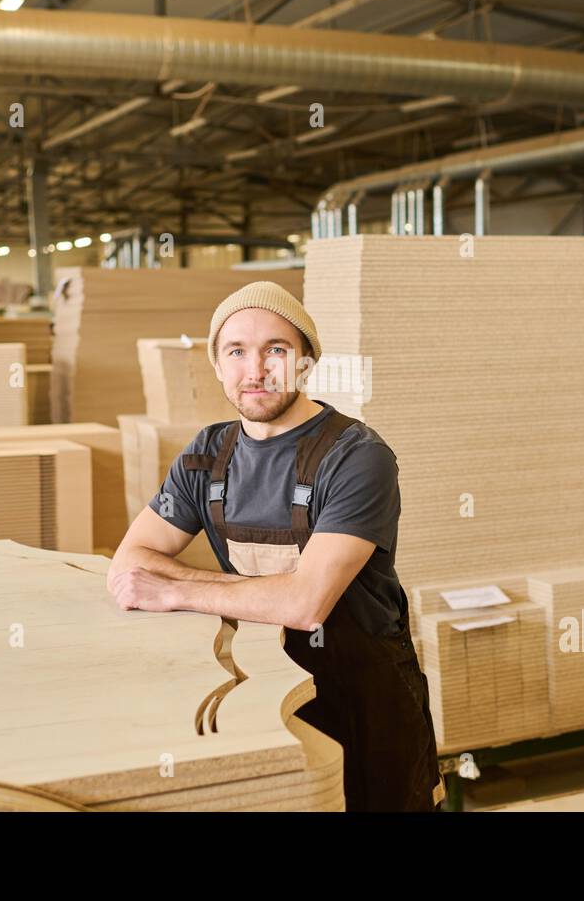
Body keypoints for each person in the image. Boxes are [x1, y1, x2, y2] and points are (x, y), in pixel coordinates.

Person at [107, 280, 444, 811]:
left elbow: (305, 604)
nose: (255, 369)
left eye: (277, 351)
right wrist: (233, 592)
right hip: (267, 696)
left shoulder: (356, 457)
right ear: (217, 365)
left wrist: (175, 590)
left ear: (307, 362)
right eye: (236, 351)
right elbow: (130, 562)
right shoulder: (207, 454)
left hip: (366, 701)